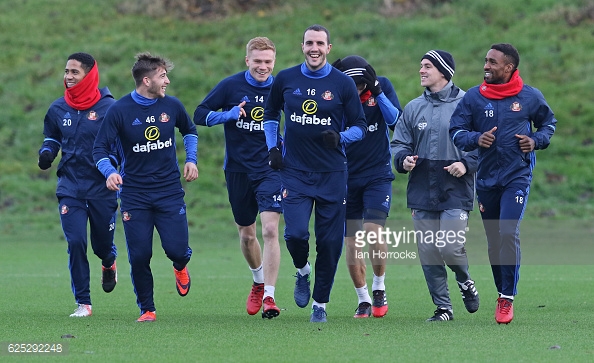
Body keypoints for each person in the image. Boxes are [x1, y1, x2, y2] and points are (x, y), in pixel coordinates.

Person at [263, 24, 367, 323]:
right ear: (302, 46)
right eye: (309, 43)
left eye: (320, 43)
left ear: (328, 48)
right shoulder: (285, 78)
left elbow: (360, 127)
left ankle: (320, 303)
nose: (314, 48)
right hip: (294, 171)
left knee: (330, 243)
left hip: (332, 173)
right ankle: (302, 270)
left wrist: (341, 138)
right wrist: (273, 148)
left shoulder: (342, 84)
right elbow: (271, 115)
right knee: (295, 234)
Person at [450, 43, 556, 324]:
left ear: (508, 68)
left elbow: (549, 125)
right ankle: (501, 291)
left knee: (508, 231)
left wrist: (535, 141)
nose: (486, 66)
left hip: (516, 177)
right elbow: (456, 130)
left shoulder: (529, 96)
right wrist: (475, 139)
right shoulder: (473, 97)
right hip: (485, 180)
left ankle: (507, 298)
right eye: (485, 60)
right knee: (494, 239)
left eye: (492, 62)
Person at [93, 52, 199, 322]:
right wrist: (110, 172)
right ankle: (147, 309)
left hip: (169, 192)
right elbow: (100, 149)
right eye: (163, 76)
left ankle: (180, 265)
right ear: (146, 80)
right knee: (140, 255)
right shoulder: (120, 110)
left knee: (177, 250)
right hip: (134, 195)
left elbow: (189, 130)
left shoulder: (172, 106)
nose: (168, 81)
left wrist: (191, 160)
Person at [193, 37, 282, 319]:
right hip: (238, 169)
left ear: (274, 62)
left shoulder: (282, 87)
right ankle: (257, 281)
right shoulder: (230, 86)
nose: (263, 67)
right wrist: (227, 115)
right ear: (247, 61)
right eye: (257, 61)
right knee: (247, 234)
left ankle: (269, 295)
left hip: (270, 168)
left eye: (268, 61)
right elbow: (199, 114)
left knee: (269, 230)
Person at [391, 50, 480, 322]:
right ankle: (444, 309)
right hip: (421, 189)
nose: (421, 71)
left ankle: (465, 281)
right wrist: (402, 160)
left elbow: (485, 143)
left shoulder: (469, 104)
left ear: (444, 72)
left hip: (455, 188)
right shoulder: (413, 107)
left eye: (427, 66)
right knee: (429, 253)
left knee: (450, 247)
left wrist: (466, 164)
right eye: (421, 66)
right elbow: (399, 143)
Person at [38, 52, 119, 318]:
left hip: (102, 188)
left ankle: (109, 262)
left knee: (101, 247)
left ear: (89, 75)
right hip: (70, 187)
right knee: (75, 242)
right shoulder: (58, 108)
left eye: (75, 72)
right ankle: (83, 303)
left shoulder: (110, 109)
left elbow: (121, 147)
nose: (68, 77)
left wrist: (114, 171)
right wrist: (47, 152)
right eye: (66, 71)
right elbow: (52, 136)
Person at [331, 55, 401, 318]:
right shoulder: (336, 95)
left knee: (373, 231)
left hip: (377, 175)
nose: (358, 90)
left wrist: (378, 92)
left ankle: (379, 287)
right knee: (351, 243)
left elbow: (397, 122)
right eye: (354, 85)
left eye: (362, 84)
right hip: (345, 177)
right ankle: (363, 299)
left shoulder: (380, 86)